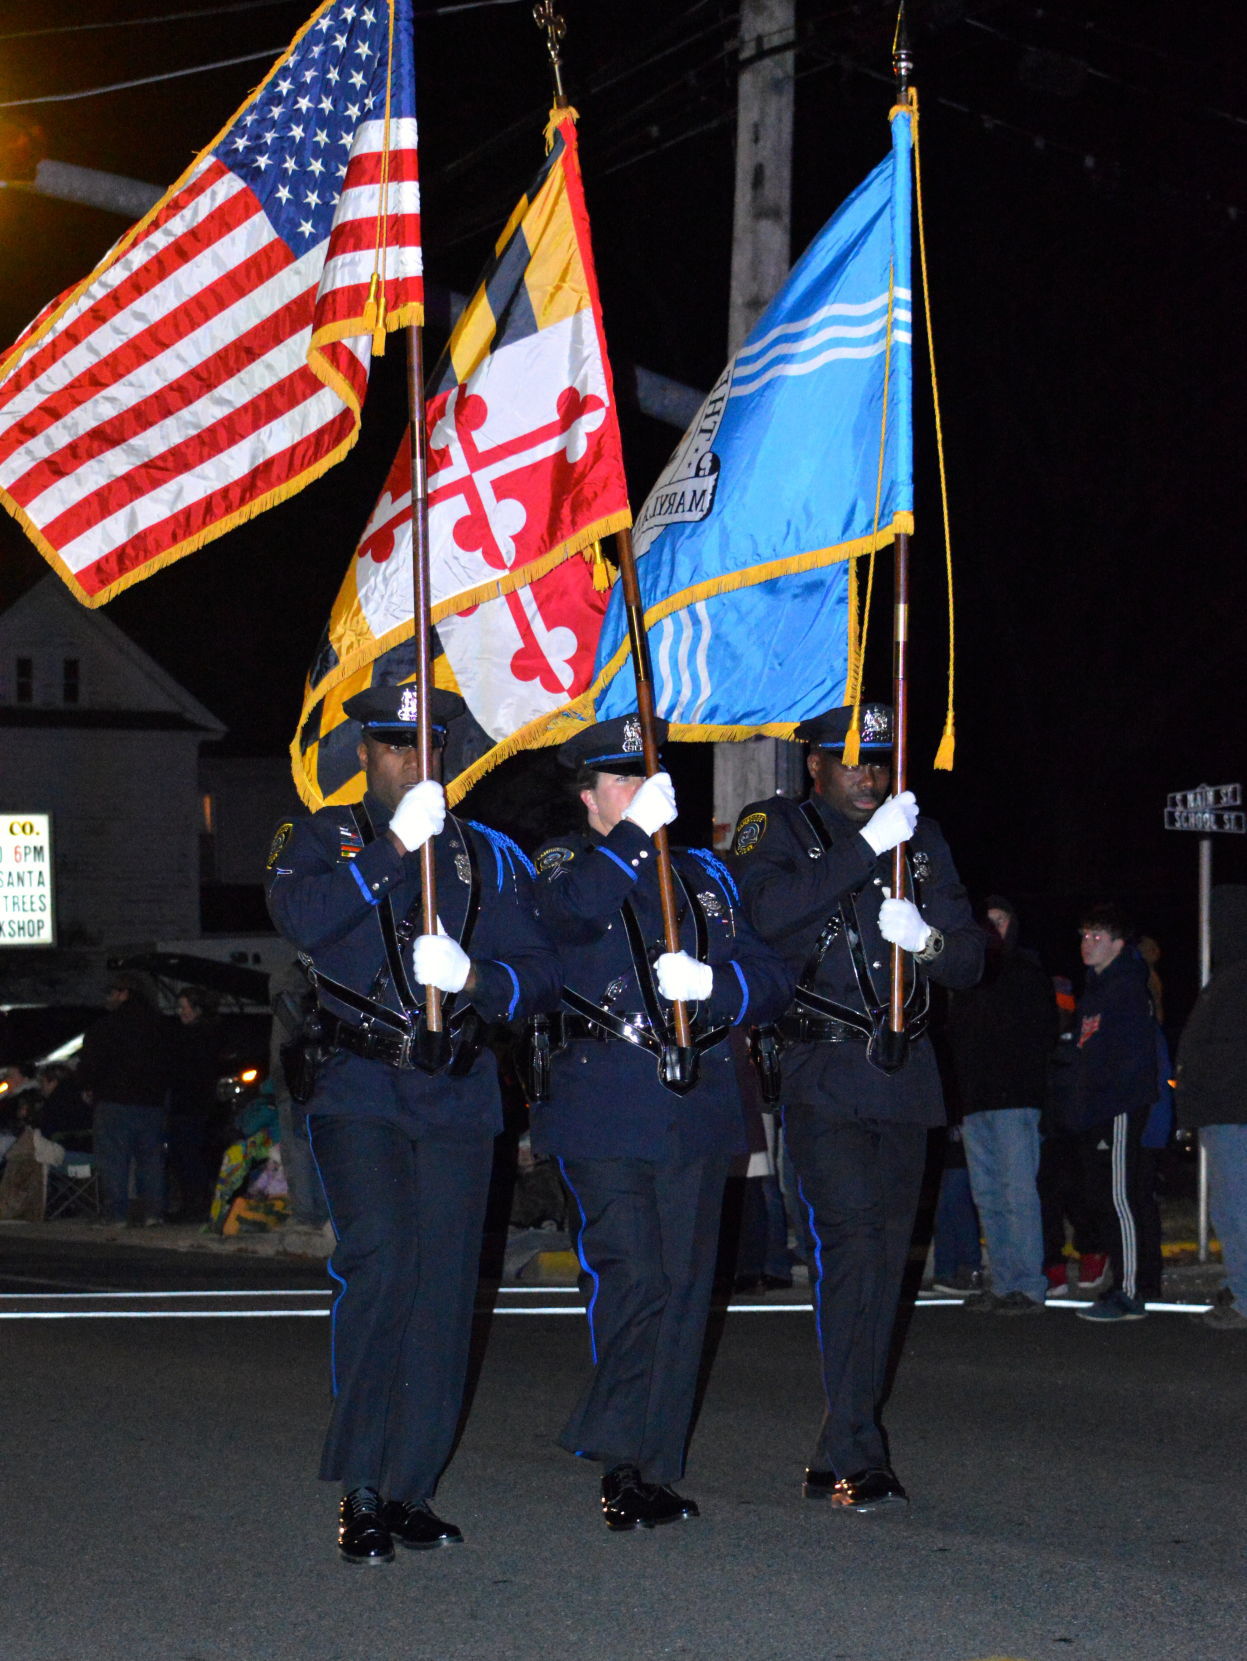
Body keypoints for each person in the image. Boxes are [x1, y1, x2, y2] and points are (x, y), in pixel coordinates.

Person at [265, 681, 560, 1566]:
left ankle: (409, 1488)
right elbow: (307, 920)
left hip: (459, 1091)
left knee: (441, 1294)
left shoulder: (492, 856)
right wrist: (395, 848)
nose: (414, 761)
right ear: (368, 753)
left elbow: (539, 971)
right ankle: (359, 1484)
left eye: (430, 746)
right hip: (360, 1084)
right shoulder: (318, 838)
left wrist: (477, 979)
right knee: (384, 1262)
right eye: (397, 745)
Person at [530, 715, 791, 1531]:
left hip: (696, 1100)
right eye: (622, 782)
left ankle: (652, 1465)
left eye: (647, 781)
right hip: (604, 1098)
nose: (641, 794)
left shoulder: (706, 874)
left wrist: (715, 984)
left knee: (683, 1289)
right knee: (633, 1275)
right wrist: (633, 841)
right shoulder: (565, 860)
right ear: (589, 796)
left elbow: (769, 974)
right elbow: (566, 920)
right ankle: (616, 1450)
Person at [730, 702, 982, 1513]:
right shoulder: (774, 827)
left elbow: (971, 959)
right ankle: (856, 1449)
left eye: (879, 759)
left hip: (904, 1078)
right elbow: (764, 915)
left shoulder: (921, 834)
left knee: (881, 1262)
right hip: (824, 1074)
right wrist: (864, 851)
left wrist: (927, 941)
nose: (868, 775)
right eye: (850, 760)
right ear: (813, 765)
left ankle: (838, 1440)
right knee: (851, 1254)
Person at [946, 895, 1057, 1314]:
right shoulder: (968, 978)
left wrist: (1026, 1085)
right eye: (986, 923)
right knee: (987, 1194)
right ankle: (1005, 1280)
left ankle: (1028, 1285)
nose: (993, 930)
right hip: (977, 1103)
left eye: (1000, 922)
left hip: (1014, 1100)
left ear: (1013, 925)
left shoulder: (1026, 973)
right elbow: (958, 1041)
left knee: (1017, 1192)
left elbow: (1042, 1033)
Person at [1067, 904, 1163, 1323]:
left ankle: (1131, 1291)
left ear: (1118, 944)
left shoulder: (1125, 987)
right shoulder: (1096, 988)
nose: (1088, 944)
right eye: (1084, 935)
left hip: (1120, 1106)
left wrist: (1109, 1098)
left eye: (1097, 937)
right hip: (1099, 1108)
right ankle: (1130, 1283)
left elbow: (1129, 1057)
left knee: (1122, 1197)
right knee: (1109, 1196)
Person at [1175, 885, 1247, 1331]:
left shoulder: (1236, 979)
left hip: (1232, 1112)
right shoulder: (1227, 978)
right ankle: (1240, 1288)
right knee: (1232, 1209)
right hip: (1222, 1112)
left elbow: (1222, 1053)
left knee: (1236, 1209)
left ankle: (1244, 1296)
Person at [73, 970, 171, 1226]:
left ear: (124, 993)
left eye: (112, 992)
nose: (108, 997)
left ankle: (116, 1214)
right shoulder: (160, 1026)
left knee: (114, 1161)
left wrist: (86, 1085)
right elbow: (171, 1063)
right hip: (151, 1102)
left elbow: (91, 1062)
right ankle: (153, 1213)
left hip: (114, 1101)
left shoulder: (106, 1027)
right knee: (151, 1160)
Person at [167, 986, 224, 1221]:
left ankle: (195, 1206)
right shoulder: (204, 1034)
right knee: (187, 1155)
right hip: (195, 1104)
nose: (180, 1012)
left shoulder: (196, 1036)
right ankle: (195, 1204)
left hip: (191, 1105)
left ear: (197, 1010)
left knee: (188, 1156)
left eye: (184, 1007)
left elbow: (189, 1072)